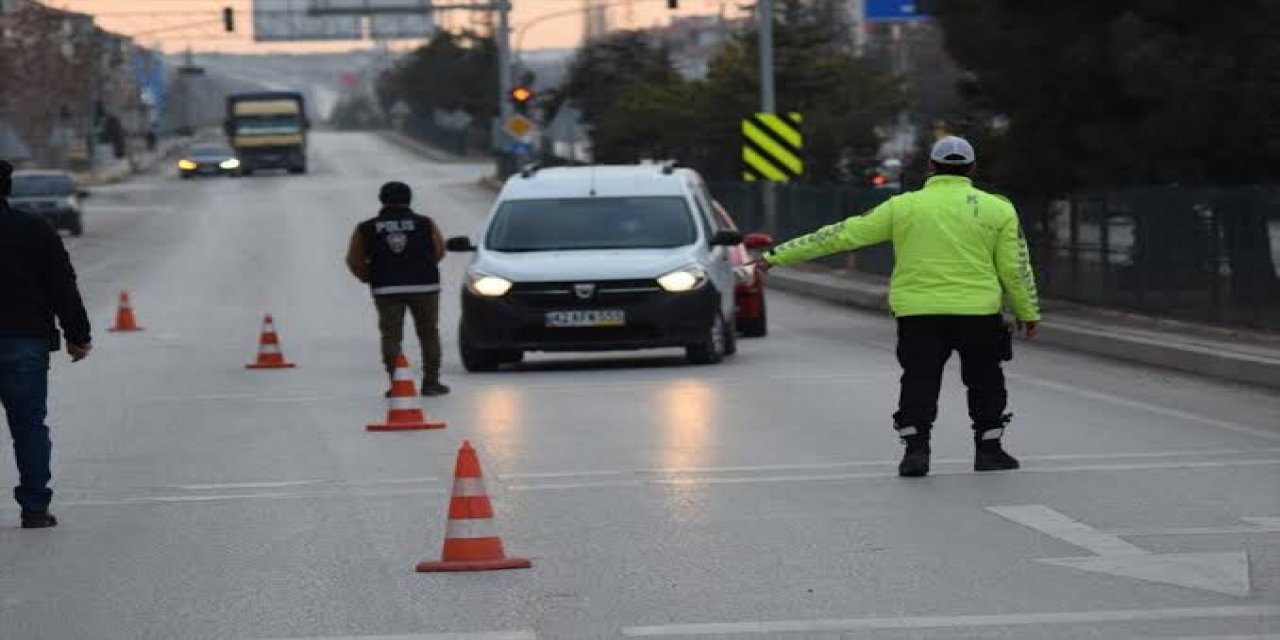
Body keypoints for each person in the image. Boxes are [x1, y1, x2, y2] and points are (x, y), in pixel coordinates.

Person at [758, 137, 1041, 478]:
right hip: (978, 313)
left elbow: (841, 235)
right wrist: (1027, 311)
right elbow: (1015, 267)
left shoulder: (902, 206)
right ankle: (989, 450)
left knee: (919, 380)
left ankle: (916, 452)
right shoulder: (998, 209)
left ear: (931, 167)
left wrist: (776, 256)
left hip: (918, 313)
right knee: (985, 380)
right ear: (972, 168)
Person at [0, 159, 92, 528]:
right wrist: (78, 336)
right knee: (28, 425)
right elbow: (61, 284)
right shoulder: (36, 230)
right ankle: (35, 507)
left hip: (25, 338)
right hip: (25, 341)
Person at [346, 181, 450, 396]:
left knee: (391, 336)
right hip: (425, 286)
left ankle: (398, 383)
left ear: (381, 200)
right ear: (409, 199)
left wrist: (370, 277)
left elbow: (354, 260)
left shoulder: (366, 228)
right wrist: (423, 266)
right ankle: (431, 382)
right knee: (429, 333)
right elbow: (439, 250)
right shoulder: (425, 223)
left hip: (386, 288)